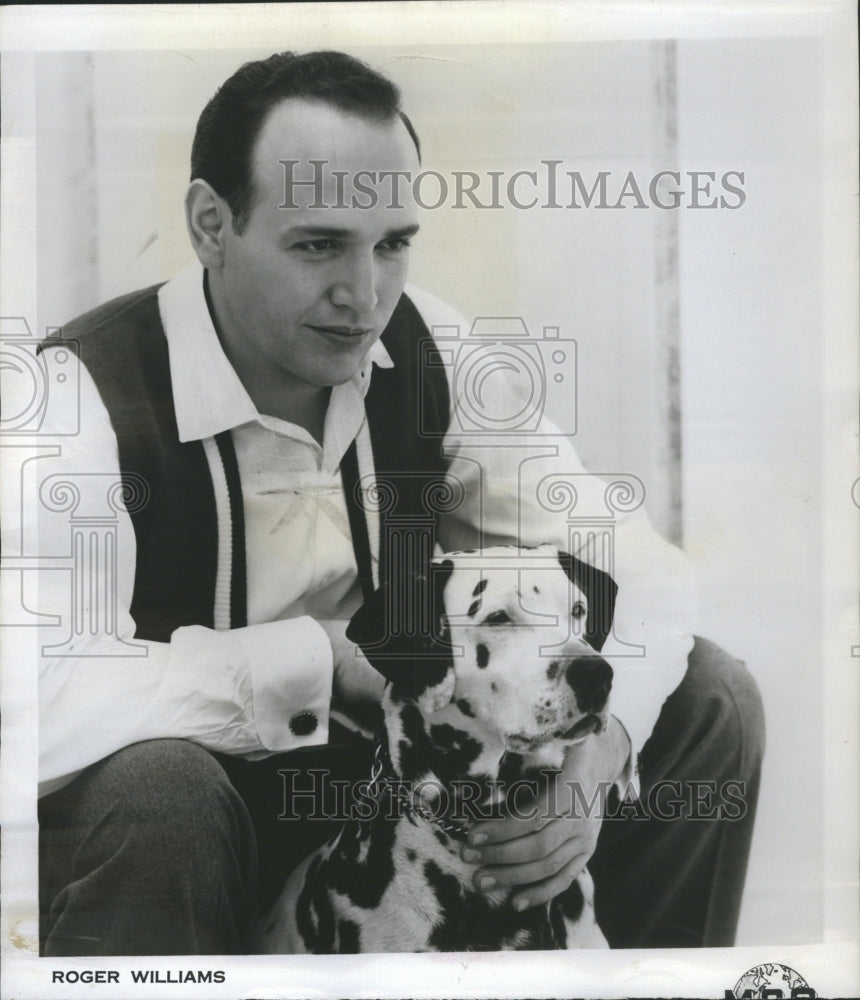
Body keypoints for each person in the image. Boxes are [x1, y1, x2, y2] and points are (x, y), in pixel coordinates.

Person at [37, 50, 763, 956]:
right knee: (160, 790)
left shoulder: (433, 351)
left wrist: (602, 749)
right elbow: (28, 698)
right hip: (192, 836)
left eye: (392, 242)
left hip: (410, 809)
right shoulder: (77, 396)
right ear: (210, 224)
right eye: (317, 244)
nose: (364, 293)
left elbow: (643, 572)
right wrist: (312, 662)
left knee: (708, 703)